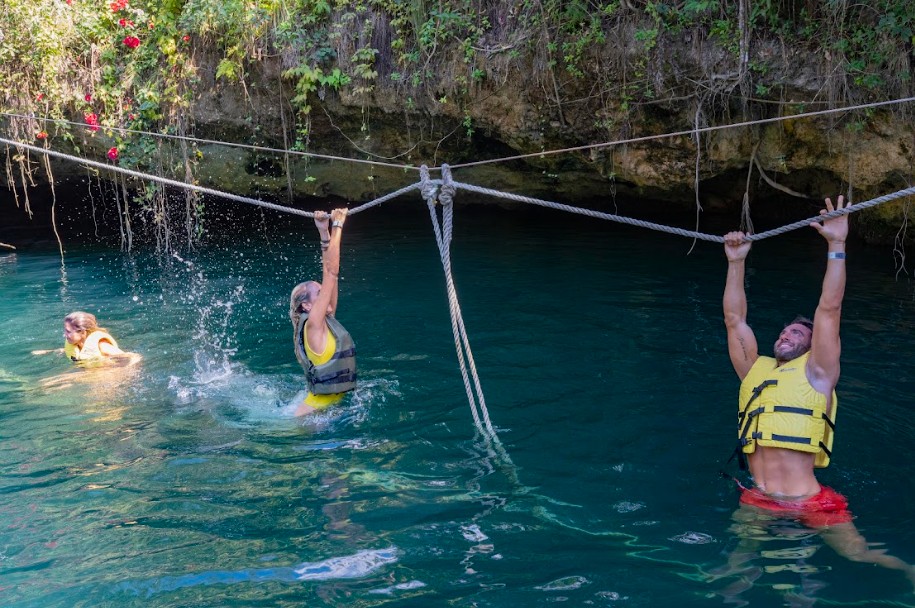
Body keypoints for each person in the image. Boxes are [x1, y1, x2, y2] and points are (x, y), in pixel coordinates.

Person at [721, 195, 915, 588]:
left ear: (811, 348)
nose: (785, 335)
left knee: (853, 556)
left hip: (809, 501)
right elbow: (734, 318)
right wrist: (736, 262)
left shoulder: (818, 373)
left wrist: (837, 245)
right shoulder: (752, 370)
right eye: (784, 331)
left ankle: (909, 573)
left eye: (796, 334)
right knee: (735, 571)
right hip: (758, 498)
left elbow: (829, 309)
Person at [288, 208, 356, 416]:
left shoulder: (326, 320)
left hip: (326, 412)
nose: (325, 293)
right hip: (311, 417)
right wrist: (338, 225)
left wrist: (324, 233)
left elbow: (331, 272)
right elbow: (331, 272)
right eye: (319, 292)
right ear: (307, 306)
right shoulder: (314, 324)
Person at [32, 311, 140, 365]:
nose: (65, 334)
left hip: (104, 375)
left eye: (68, 332)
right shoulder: (77, 344)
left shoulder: (101, 345)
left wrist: (126, 371)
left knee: (52, 384)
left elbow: (134, 356)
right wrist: (49, 351)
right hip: (88, 373)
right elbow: (77, 352)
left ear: (82, 332)